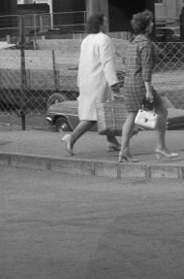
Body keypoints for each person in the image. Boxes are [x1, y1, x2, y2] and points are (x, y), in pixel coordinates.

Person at [119, 9, 177, 163]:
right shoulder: (146, 44)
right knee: (162, 111)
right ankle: (160, 146)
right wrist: (149, 90)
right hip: (140, 84)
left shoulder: (132, 43)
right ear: (146, 26)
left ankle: (124, 150)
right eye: (150, 22)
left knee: (131, 116)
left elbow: (128, 62)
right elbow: (146, 69)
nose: (152, 24)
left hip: (128, 83)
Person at [62, 12, 122, 155]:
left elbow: (82, 63)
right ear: (100, 24)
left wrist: (79, 82)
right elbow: (107, 62)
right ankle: (72, 137)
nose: (107, 25)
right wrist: (114, 83)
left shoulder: (86, 40)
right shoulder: (104, 39)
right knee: (94, 115)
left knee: (103, 112)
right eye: (105, 22)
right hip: (99, 82)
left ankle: (112, 142)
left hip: (86, 81)